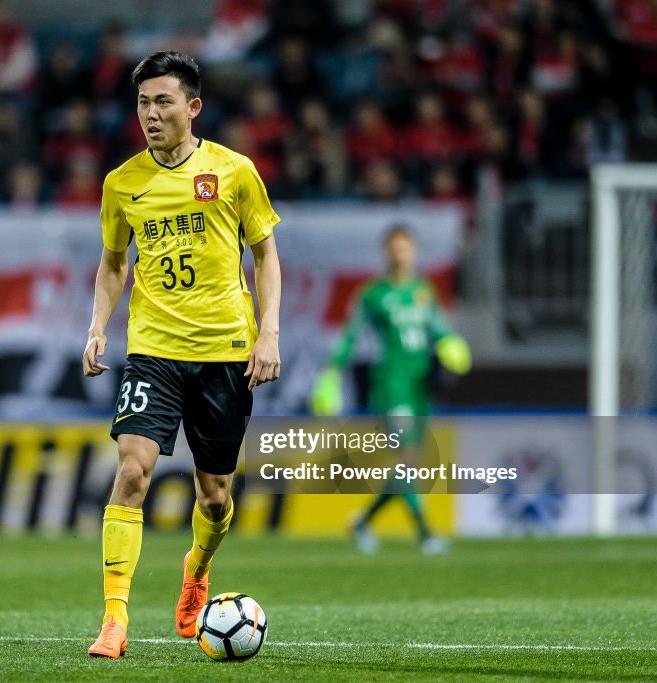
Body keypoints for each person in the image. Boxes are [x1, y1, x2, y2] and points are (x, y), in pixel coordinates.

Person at [82, 50, 282, 658]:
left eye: (163, 101)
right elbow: (115, 263)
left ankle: (196, 572)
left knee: (215, 496)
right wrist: (97, 327)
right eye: (143, 102)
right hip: (153, 350)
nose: (150, 113)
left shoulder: (235, 172)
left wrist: (268, 332)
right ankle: (114, 617)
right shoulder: (122, 183)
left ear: (193, 107)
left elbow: (265, 255)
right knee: (133, 470)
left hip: (224, 351)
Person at [310, 224, 471, 554]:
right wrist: (332, 374)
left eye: (406, 247)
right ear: (387, 252)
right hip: (391, 385)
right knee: (405, 457)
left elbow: (437, 328)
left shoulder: (424, 291)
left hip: (420, 386)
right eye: (395, 248)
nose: (401, 254)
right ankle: (425, 534)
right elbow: (351, 335)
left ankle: (363, 522)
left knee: (407, 463)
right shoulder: (373, 294)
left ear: (415, 251)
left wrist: (450, 342)